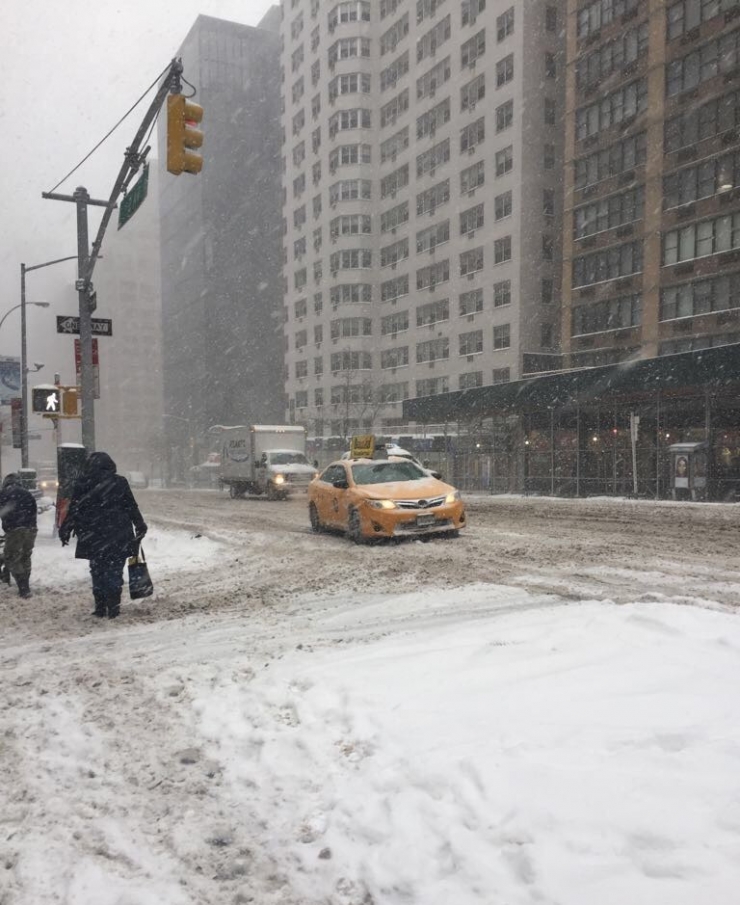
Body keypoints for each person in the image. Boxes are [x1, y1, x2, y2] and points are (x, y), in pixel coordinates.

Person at [59, 451, 147, 619]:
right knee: (114, 570)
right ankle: (113, 607)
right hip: (118, 534)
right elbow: (130, 506)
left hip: (92, 535)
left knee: (97, 570)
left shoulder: (83, 483)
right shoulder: (119, 482)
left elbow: (75, 508)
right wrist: (140, 525)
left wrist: (66, 529)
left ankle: (100, 607)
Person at [0, 473, 38, 598]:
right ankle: (25, 583)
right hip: (31, 529)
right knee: (25, 556)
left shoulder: (4, 493)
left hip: (15, 529)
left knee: (11, 557)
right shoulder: (27, 493)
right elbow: (34, 510)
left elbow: (3, 511)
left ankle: (23, 587)